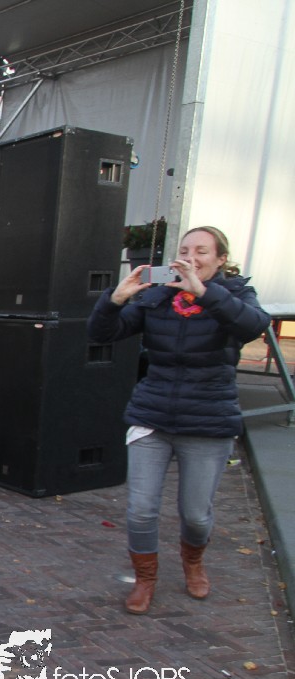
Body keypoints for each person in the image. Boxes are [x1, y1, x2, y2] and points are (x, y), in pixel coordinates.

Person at [87, 226, 270, 615]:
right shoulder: (159, 296)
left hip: (208, 420)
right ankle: (145, 580)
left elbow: (253, 326)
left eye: (202, 251)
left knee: (196, 515)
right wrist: (115, 300)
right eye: (185, 250)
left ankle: (193, 561)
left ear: (221, 259)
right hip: (153, 417)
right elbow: (102, 333)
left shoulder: (235, 295)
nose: (191, 258)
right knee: (140, 509)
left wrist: (203, 292)